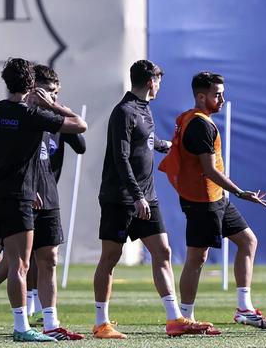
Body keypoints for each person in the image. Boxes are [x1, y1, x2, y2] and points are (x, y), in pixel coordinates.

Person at [92, 60, 215, 339]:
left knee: (163, 251)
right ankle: (101, 323)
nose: (160, 86)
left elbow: (146, 142)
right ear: (151, 82)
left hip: (147, 196)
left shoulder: (144, 109)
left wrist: (168, 146)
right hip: (121, 198)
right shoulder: (123, 111)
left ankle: (174, 319)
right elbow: (120, 157)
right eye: (158, 81)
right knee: (110, 258)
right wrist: (136, 196)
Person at [0, 58, 87, 342]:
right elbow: (80, 125)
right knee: (19, 266)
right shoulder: (31, 115)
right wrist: (50, 105)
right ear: (30, 86)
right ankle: (22, 326)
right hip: (20, 196)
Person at [159, 72, 266, 330]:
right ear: (201, 97)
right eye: (217, 94)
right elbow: (209, 170)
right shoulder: (200, 123)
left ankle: (244, 309)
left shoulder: (192, 118)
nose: (222, 98)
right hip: (203, 200)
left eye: (222, 93)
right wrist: (240, 192)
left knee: (248, 241)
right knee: (196, 258)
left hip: (216, 198)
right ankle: (185, 318)